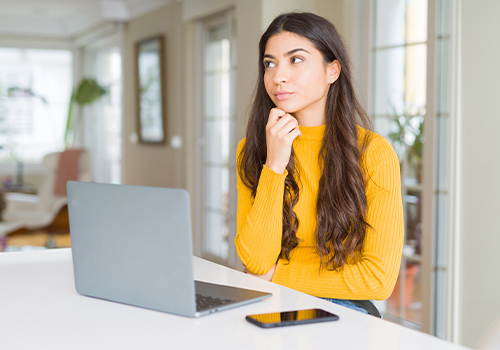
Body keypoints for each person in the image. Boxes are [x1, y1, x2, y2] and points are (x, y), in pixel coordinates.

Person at [235, 12, 404, 316]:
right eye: (269, 63)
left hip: (342, 307)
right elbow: (256, 261)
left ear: (332, 71)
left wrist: (278, 275)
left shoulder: (373, 153)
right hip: (272, 301)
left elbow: (378, 280)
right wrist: (274, 164)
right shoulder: (254, 149)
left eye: (295, 60)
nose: (278, 76)